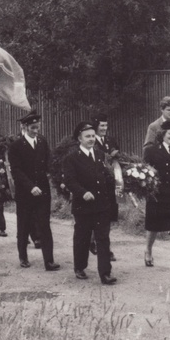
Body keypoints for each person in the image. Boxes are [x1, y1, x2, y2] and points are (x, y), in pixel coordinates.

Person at [63, 121, 116, 284]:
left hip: (101, 205)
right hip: (83, 206)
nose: (91, 139)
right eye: (87, 136)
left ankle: (105, 273)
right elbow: (70, 181)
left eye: (93, 136)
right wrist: (82, 192)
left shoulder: (100, 155)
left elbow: (105, 176)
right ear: (79, 138)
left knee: (103, 238)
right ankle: (79, 267)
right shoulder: (71, 158)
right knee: (82, 238)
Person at [7, 111, 60, 271]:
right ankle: (23, 256)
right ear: (24, 127)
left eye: (37, 127)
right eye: (32, 128)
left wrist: (55, 176)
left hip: (43, 191)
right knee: (24, 224)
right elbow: (16, 171)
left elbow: (48, 162)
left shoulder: (42, 142)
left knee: (45, 225)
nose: (36, 131)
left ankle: (49, 261)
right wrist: (30, 187)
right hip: (25, 193)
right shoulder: (16, 146)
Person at [143, 120, 170, 267]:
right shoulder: (152, 150)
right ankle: (148, 250)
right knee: (153, 225)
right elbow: (146, 170)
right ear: (162, 135)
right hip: (158, 194)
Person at [91, 112, 121, 261]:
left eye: (106, 125)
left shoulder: (110, 140)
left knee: (107, 216)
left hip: (110, 185)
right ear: (95, 126)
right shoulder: (90, 140)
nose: (104, 128)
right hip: (96, 184)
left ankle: (102, 245)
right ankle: (95, 243)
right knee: (97, 216)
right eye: (101, 125)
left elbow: (117, 160)